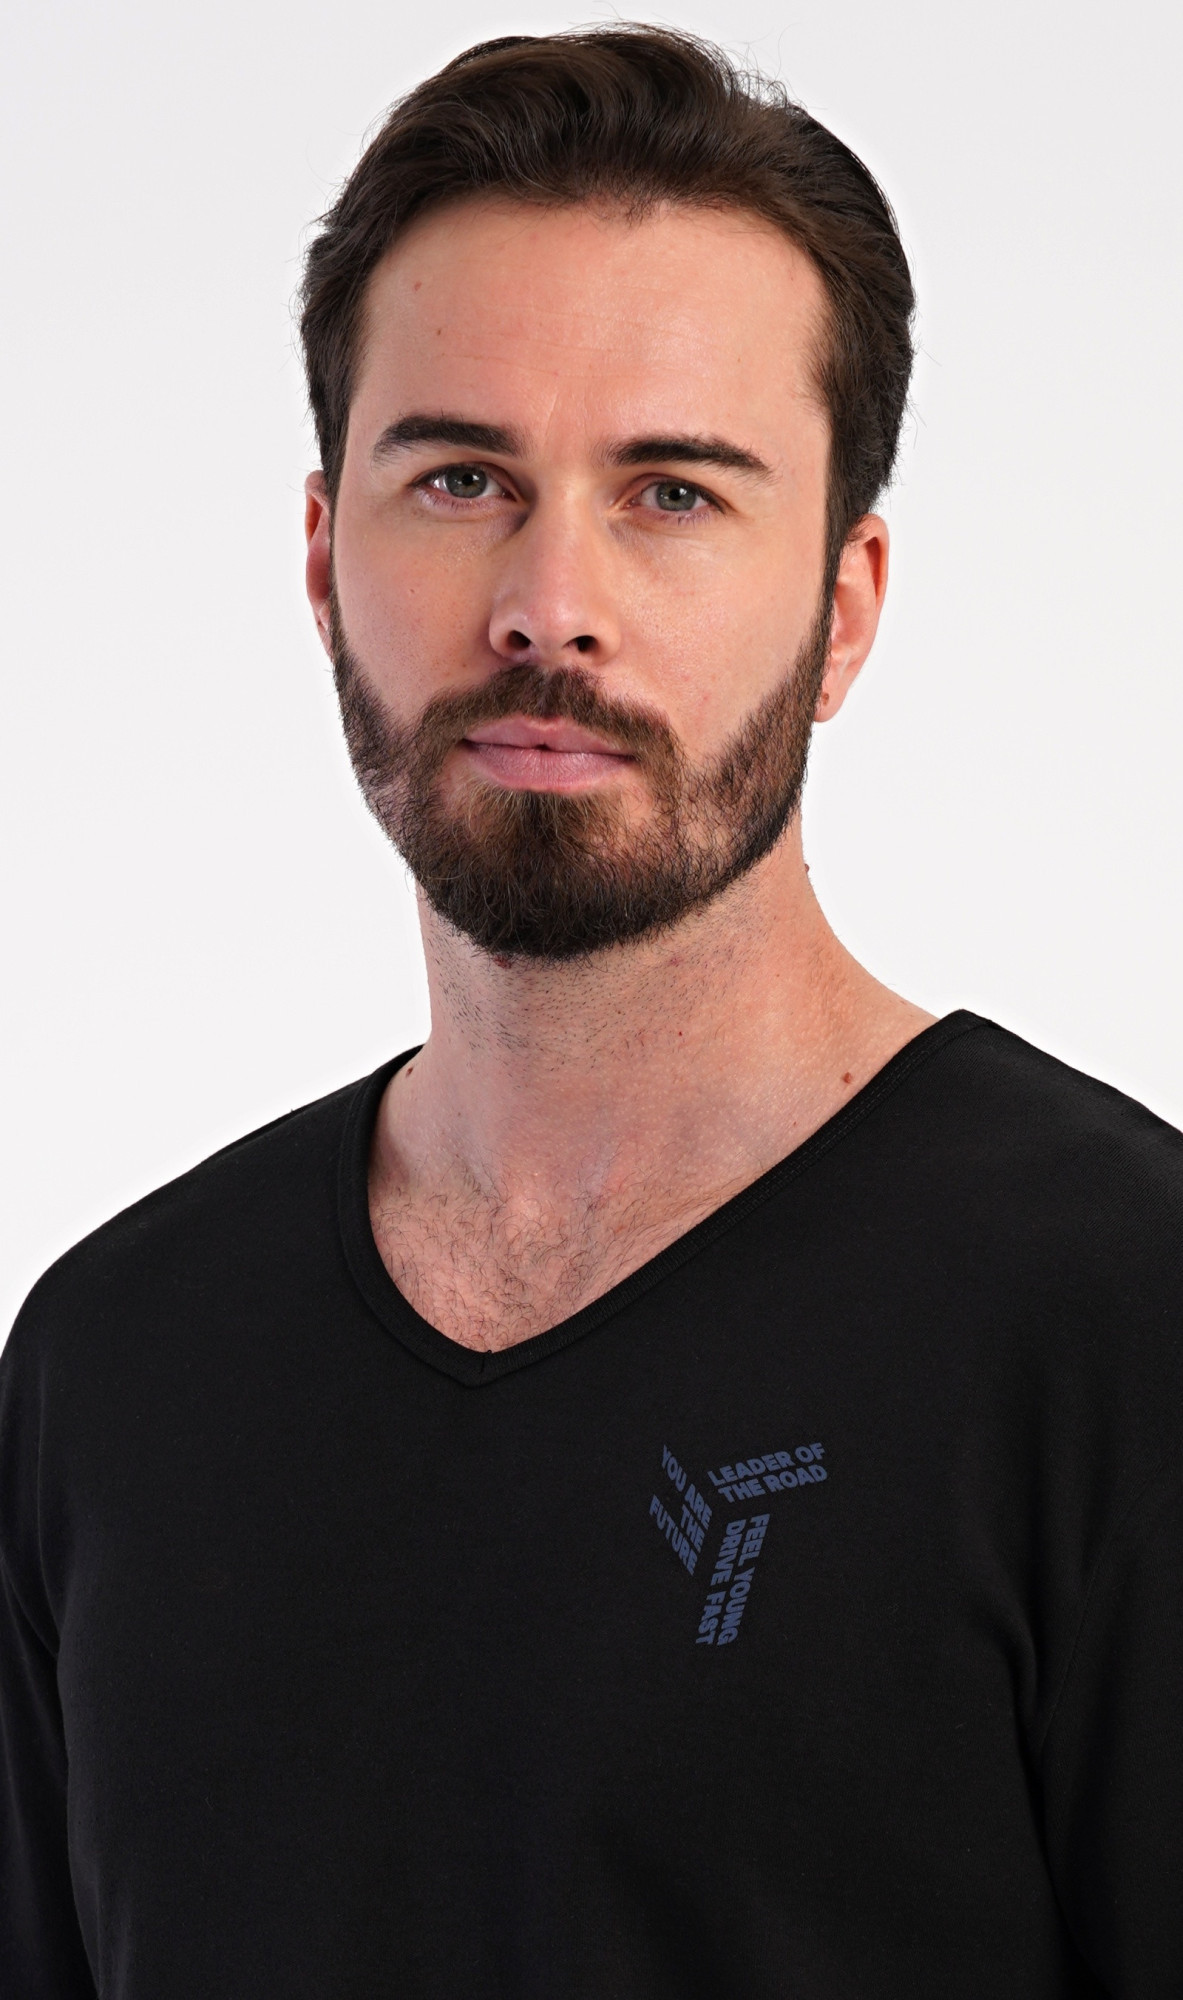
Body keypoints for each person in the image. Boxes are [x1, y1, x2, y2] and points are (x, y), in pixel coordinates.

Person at [1, 25, 1180, 1997]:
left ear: (846, 606)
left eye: (673, 493)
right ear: (323, 558)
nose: (549, 602)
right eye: (462, 477)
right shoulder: (113, 1370)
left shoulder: (1120, 1326)